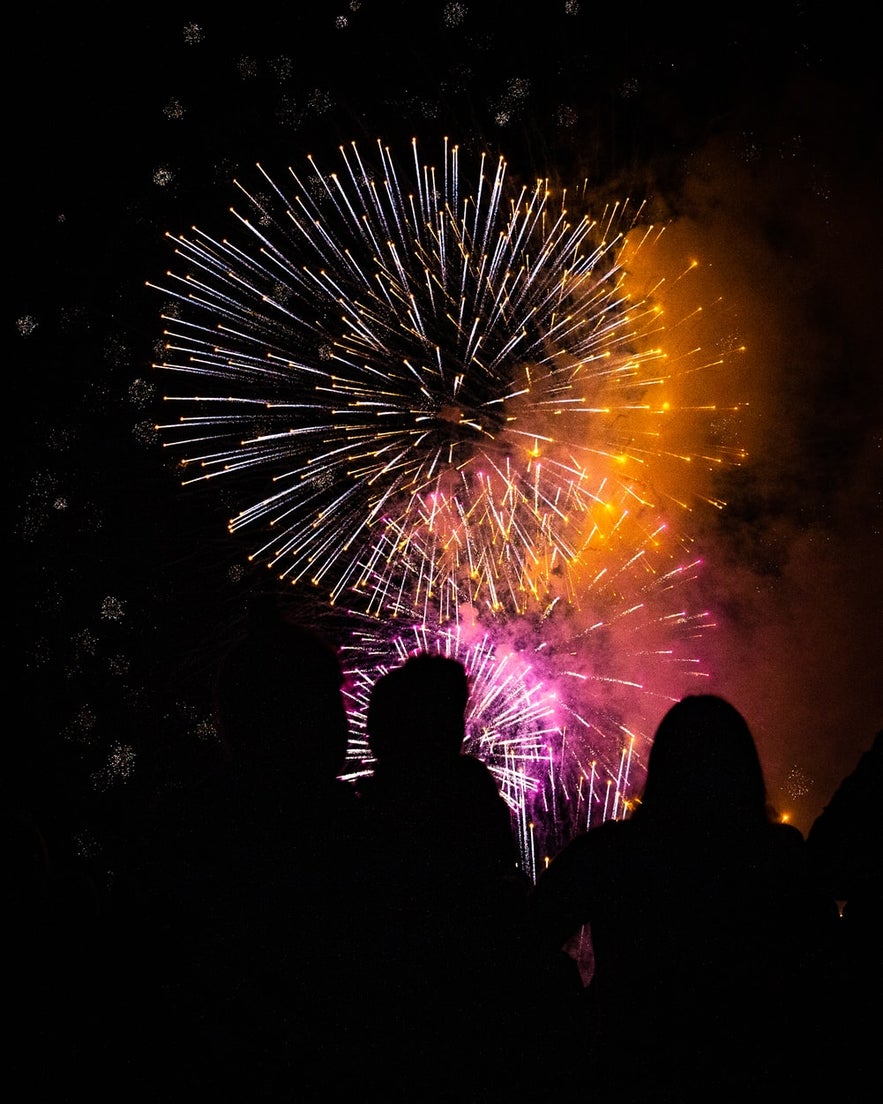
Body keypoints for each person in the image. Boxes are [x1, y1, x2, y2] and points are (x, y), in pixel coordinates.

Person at [526, 694, 836, 1104]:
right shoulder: (780, 857)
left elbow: (520, 941)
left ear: (662, 769)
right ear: (744, 772)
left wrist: (578, 1018)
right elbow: (828, 975)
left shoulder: (612, 853)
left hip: (628, 1076)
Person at [126, 594, 366, 1098]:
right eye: (332, 703)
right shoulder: (349, 829)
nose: (347, 723)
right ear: (292, 716)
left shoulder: (181, 829)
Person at [354, 653, 534, 1099]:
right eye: (452, 715)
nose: (461, 729)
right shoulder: (465, 790)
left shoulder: (360, 813)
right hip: (463, 1016)